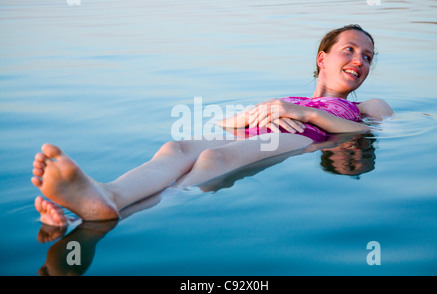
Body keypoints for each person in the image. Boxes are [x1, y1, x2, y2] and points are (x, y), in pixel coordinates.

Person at [32, 24, 394, 227]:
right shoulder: (290, 99)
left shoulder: (366, 105)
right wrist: (254, 113)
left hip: (296, 138)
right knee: (175, 149)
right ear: (323, 58)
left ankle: (105, 219)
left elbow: (371, 131)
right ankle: (107, 195)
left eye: (367, 57)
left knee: (213, 162)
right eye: (349, 50)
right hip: (256, 132)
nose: (359, 60)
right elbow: (227, 124)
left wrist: (308, 116)